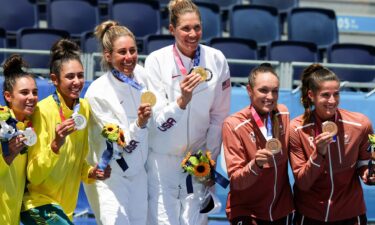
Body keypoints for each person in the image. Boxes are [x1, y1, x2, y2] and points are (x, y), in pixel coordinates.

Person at [144, 0, 231, 224]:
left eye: (197, 27)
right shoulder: (156, 61)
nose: (193, 34)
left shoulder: (217, 59)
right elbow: (158, 122)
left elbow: (218, 117)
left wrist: (210, 160)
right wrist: (181, 101)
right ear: (172, 29)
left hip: (198, 160)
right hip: (163, 161)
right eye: (185, 28)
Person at [20, 39, 111, 225]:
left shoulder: (84, 108)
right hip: (38, 205)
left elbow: (77, 161)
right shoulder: (41, 111)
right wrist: (55, 145)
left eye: (80, 75)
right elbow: (34, 175)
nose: (77, 82)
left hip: (64, 210)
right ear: (54, 79)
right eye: (70, 76)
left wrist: (92, 173)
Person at [83, 20, 152, 225]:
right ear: (108, 55)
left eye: (133, 50)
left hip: (139, 174)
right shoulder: (98, 92)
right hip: (112, 177)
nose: (129, 57)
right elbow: (123, 144)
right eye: (122, 52)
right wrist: (139, 124)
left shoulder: (142, 74)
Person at [289, 63, 374, 225]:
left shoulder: (361, 124)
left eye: (336, 94)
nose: (332, 101)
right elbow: (303, 183)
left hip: (351, 213)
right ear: (311, 95)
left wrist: (368, 173)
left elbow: (366, 160)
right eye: (325, 95)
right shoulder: (296, 129)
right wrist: (319, 153)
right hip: (310, 214)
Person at [222, 63, 294, 225]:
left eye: (274, 91)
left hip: (282, 209)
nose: (270, 96)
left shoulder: (283, 113)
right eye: (263, 90)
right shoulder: (233, 124)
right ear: (249, 90)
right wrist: (256, 165)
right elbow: (236, 181)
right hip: (248, 211)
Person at [0, 54, 38, 225]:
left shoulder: (25, 128)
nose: (31, 97)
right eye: (24, 92)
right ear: (8, 96)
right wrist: (6, 159)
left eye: (34, 92)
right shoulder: (1, 124)